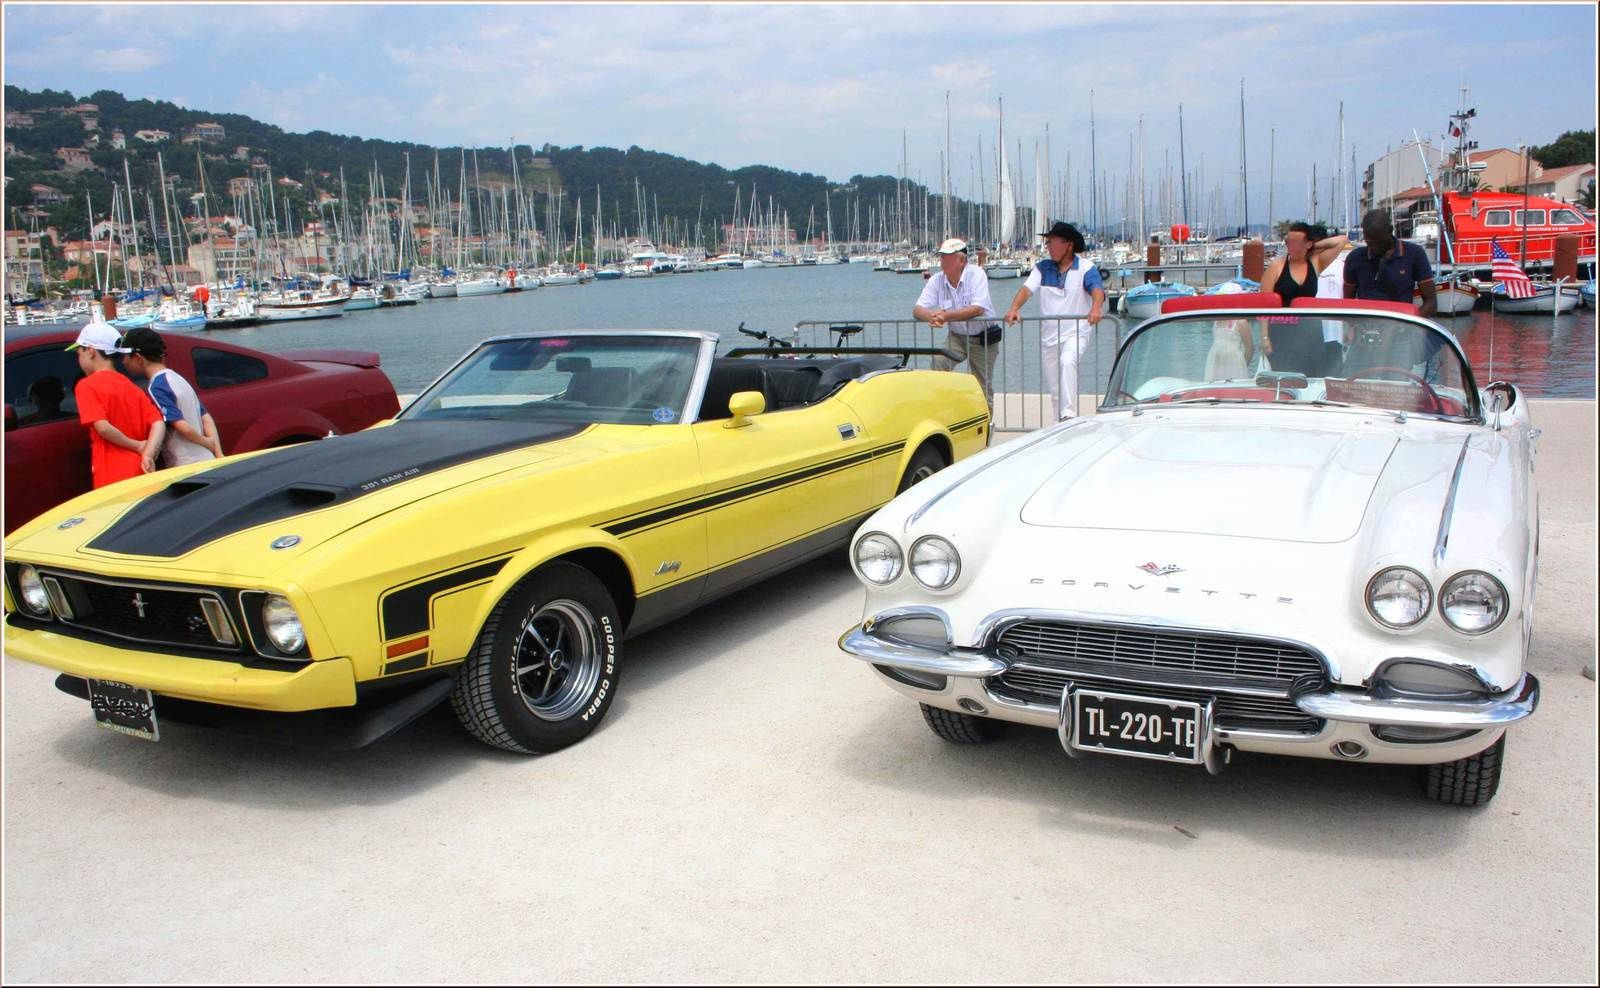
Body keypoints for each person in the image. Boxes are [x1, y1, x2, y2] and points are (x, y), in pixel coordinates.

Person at [1003, 221, 1105, 420]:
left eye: (1051, 242)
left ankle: (1068, 415)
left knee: (1068, 361)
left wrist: (1095, 307)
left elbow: (1097, 290)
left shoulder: (1086, 268)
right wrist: (1014, 308)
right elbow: (1026, 289)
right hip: (1049, 337)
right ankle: (1059, 425)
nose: (1047, 246)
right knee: (1055, 390)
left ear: (1068, 244)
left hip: (1076, 332)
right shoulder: (1042, 268)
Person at [66, 318, 164, 488]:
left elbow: (102, 427)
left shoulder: (86, 386)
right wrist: (148, 453)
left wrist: (138, 446)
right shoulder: (130, 386)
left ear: (90, 351)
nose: (79, 360)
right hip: (141, 471)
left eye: (79, 353)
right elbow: (158, 422)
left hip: (111, 475)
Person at [120, 326, 224, 467]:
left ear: (138, 358)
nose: (123, 362)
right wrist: (218, 453)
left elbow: (181, 425)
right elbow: (206, 418)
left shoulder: (156, 387)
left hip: (186, 464)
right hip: (207, 458)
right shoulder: (178, 379)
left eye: (125, 356)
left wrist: (207, 442)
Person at [914, 238, 999, 408]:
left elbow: (978, 309)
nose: (942, 261)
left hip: (983, 338)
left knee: (982, 384)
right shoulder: (937, 280)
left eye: (946, 257)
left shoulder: (976, 275)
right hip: (957, 336)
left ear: (961, 260)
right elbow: (917, 309)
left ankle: (987, 425)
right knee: (938, 362)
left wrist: (945, 316)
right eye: (941, 256)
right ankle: (941, 407)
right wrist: (931, 317)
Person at [1260, 221, 1348, 376]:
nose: (1291, 246)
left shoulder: (1315, 263)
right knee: (1286, 377)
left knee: (1314, 374)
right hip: (1282, 331)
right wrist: (1264, 337)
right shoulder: (1276, 267)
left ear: (1308, 244)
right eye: (1288, 242)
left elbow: (1341, 241)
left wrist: (1313, 247)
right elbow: (1263, 305)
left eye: (1296, 242)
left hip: (1310, 331)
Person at [1344, 209, 1437, 317]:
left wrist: (1409, 325)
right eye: (1369, 242)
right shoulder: (1354, 258)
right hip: (1366, 328)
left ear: (1390, 230)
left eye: (1378, 242)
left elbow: (1431, 303)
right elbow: (1347, 303)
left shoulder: (1414, 254)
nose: (1374, 247)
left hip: (1401, 327)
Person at [1203, 281, 1254, 380]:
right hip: (1216, 360)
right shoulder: (1217, 319)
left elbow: (1250, 348)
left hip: (1234, 362)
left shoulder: (1240, 322)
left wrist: (1242, 366)